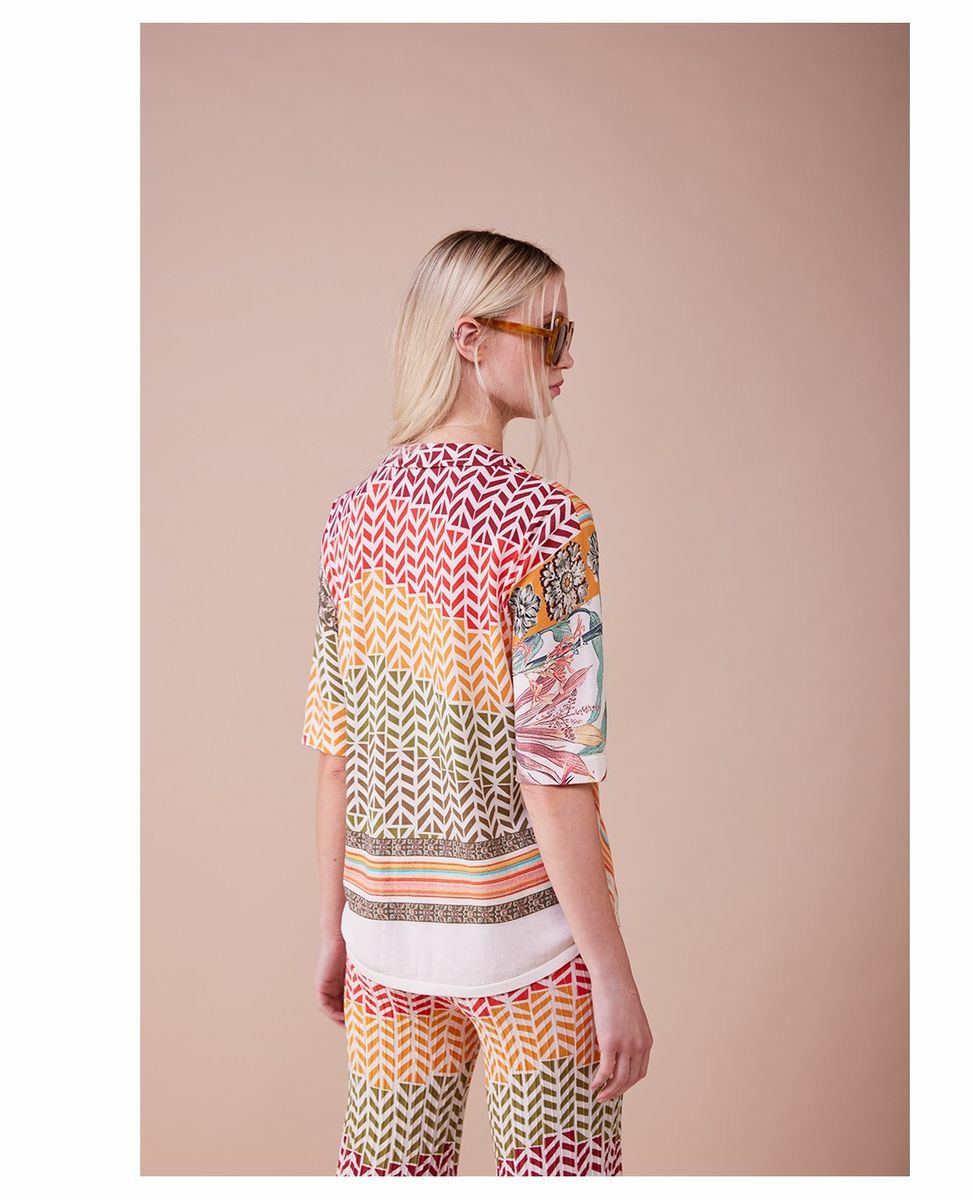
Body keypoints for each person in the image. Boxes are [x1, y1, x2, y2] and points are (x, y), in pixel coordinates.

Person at [300, 229, 653, 1176]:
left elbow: (335, 750)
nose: (567, 355)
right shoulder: (546, 526)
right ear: (470, 338)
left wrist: (334, 929)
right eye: (549, 331)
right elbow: (555, 768)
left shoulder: (349, 518)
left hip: (386, 943)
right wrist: (611, 974)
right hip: (530, 945)